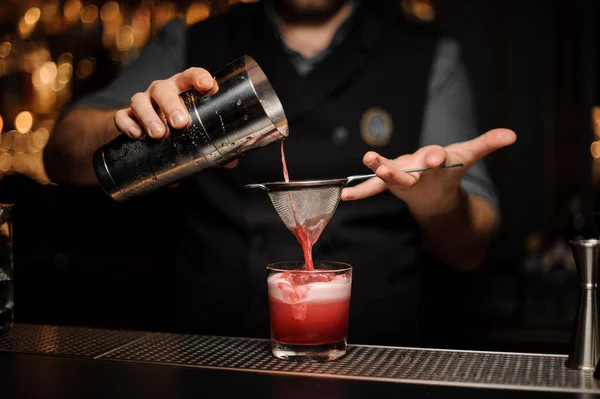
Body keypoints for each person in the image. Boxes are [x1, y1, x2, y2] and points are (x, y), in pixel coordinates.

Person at [43, 0, 516, 345]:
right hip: (210, 355)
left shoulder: (428, 54)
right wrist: (131, 125)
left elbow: (470, 249)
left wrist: (438, 203)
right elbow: (60, 154)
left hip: (379, 361)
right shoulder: (191, 39)